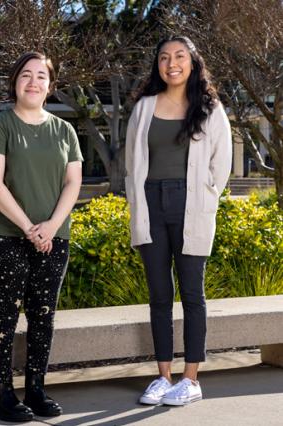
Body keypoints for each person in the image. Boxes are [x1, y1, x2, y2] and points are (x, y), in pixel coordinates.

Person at [125, 36, 232, 406]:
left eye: (180, 56)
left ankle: (190, 380)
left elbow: (223, 165)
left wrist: (203, 197)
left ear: (193, 62)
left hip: (191, 204)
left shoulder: (209, 108)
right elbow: (132, 162)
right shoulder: (144, 107)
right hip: (150, 203)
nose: (172, 63)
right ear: (158, 65)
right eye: (164, 57)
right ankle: (162, 377)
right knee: (159, 295)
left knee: (192, 294)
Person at [0, 51, 83, 422]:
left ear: (50, 85)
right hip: (5, 237)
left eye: (41, 76)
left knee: (43, 316)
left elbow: (73, 182)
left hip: (54, 238)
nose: (34, 82)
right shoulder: (2, 125)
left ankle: (36, 389)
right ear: (15, 82)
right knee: (5, 316)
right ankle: (2, 395)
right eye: (26, 75)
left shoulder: (65, 130)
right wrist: (29, 228)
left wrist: (52, 226)